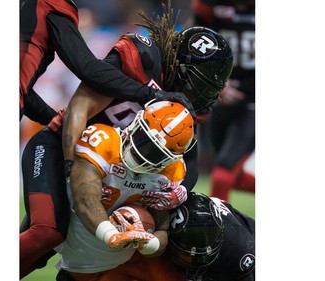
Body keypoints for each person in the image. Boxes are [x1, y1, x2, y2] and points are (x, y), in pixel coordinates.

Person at [20, 1, 234, 278]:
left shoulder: (190, 105)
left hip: (114, 171)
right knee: (46, 235)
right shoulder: (142, 59)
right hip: (65, 148)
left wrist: (178, 192)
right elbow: (80, 104)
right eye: (199, 85)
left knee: (113, 241)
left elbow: (189, 155)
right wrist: (70, 164)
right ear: (180, 69)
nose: (201, 97)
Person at [54, 101, 194, 279]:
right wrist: (111, 235)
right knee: (42, 235)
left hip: (117, 260)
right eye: (143, 139)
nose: (143, 153)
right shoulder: (104, 140)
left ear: (170, 158)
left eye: (156, 152)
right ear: (136, 122)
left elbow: (162, 228)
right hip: (76, 240)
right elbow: (84, 200)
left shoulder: (171, 172)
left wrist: (150, 244)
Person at [20, 0, 194, 124]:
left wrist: (55, 122)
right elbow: (87, 67)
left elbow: (24, 92)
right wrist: (152, 94)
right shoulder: (49, 4)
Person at [56, 192, 255, 281]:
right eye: (186, 256)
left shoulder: (238, 249)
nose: (193, 263)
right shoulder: (156, 224)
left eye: (199, 256)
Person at [190, 0, 255, 201]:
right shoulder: (208, 8)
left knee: (222, 175)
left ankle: (219, 229)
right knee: (231, 175)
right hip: (218, 101)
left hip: (253, 103)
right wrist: (217, 84)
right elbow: (193, 47)